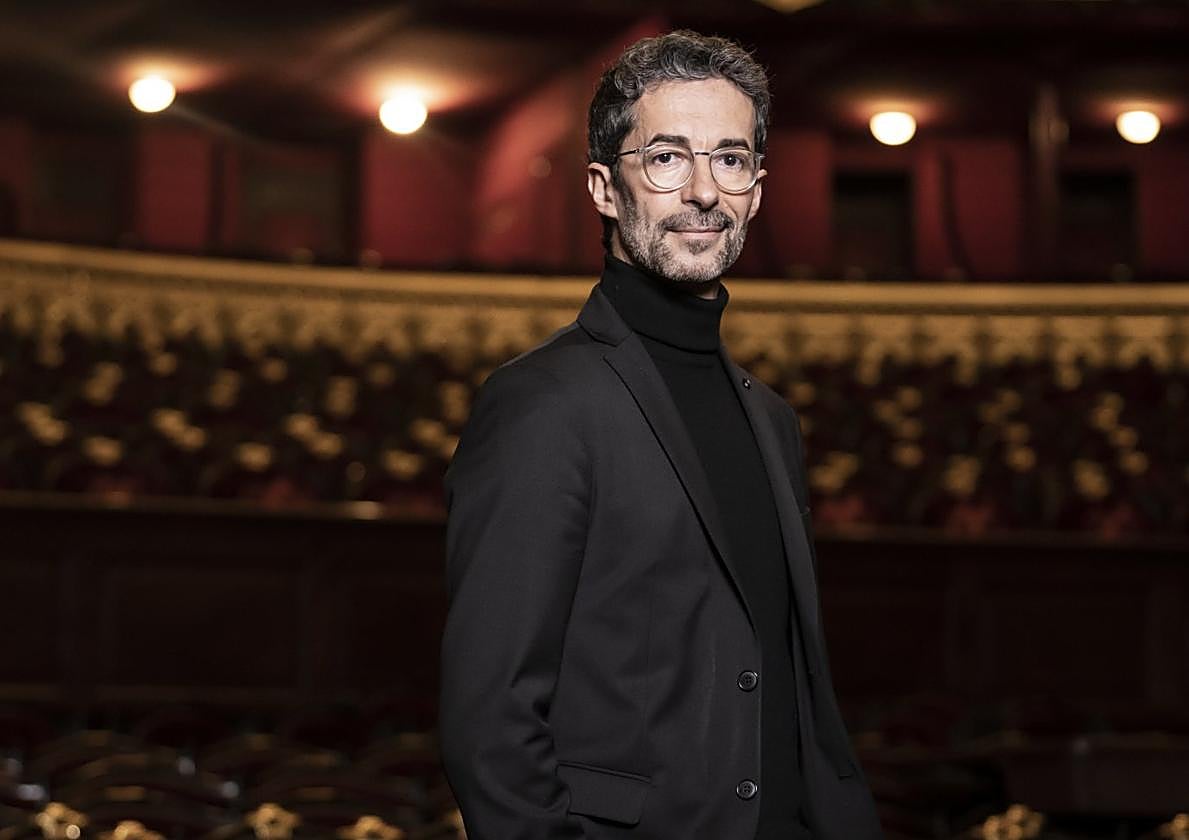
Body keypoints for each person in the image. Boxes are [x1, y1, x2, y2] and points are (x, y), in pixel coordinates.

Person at [440, 30, 883, 840]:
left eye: (730, 159)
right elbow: (489, 719)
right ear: (606, 189)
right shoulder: (541, 404)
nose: (704, 192)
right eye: (668, 158)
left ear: (754, 187)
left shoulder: (772, 419)